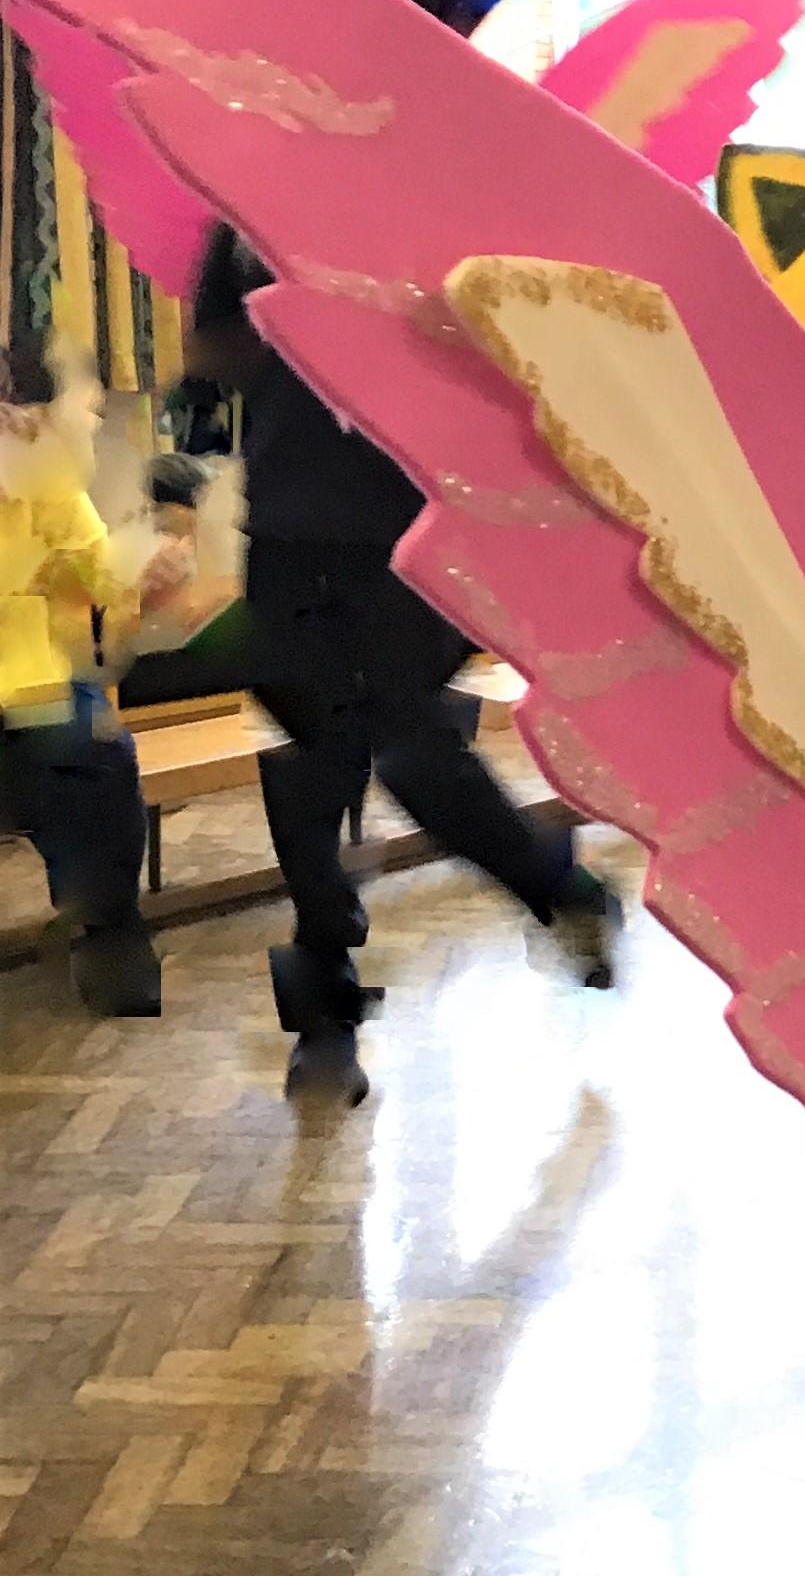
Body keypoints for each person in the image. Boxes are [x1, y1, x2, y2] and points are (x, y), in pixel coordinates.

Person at [186, 228, 620, 1102]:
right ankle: (324, 1023)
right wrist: (273, 331)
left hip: (409, 535)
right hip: (284, 537)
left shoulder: (417, 196)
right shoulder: (238, 208)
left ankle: (558, 885)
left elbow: (499, 344)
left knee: (414, 755)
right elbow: (212, 351)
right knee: (306, 774)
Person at [0, 339, 166, 1014]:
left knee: (98, 755)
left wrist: (146, 565)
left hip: (34, 689)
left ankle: (109, 932)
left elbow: (98, 570)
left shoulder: (41, 478)